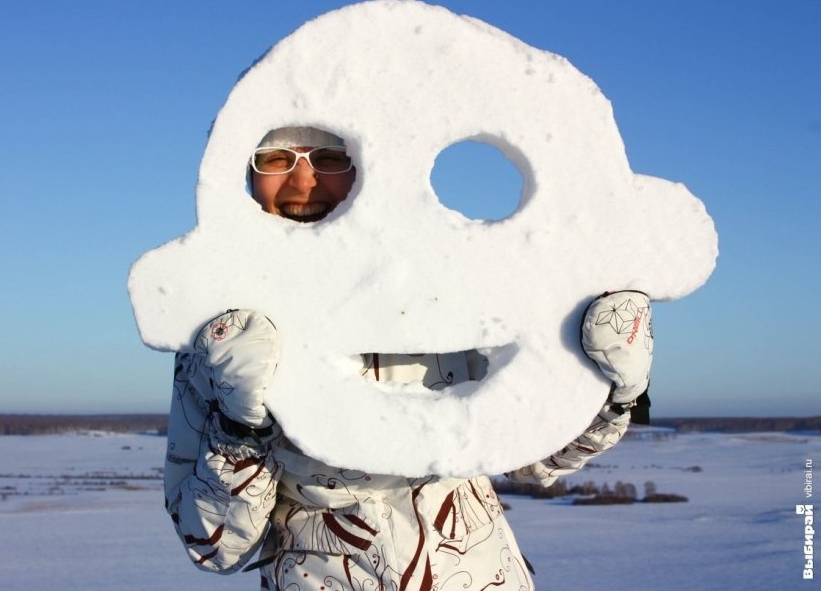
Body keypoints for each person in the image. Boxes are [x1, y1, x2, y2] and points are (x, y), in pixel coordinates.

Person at [163, 127, 653, 590]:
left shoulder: (441, 294)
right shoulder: (223, 337)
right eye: (275, 159)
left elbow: (536, 457)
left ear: (365, 169)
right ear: (246, 177)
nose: (304, 180)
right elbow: (215, 548)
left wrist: (615, 392)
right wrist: (239, 429)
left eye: (329, 159)